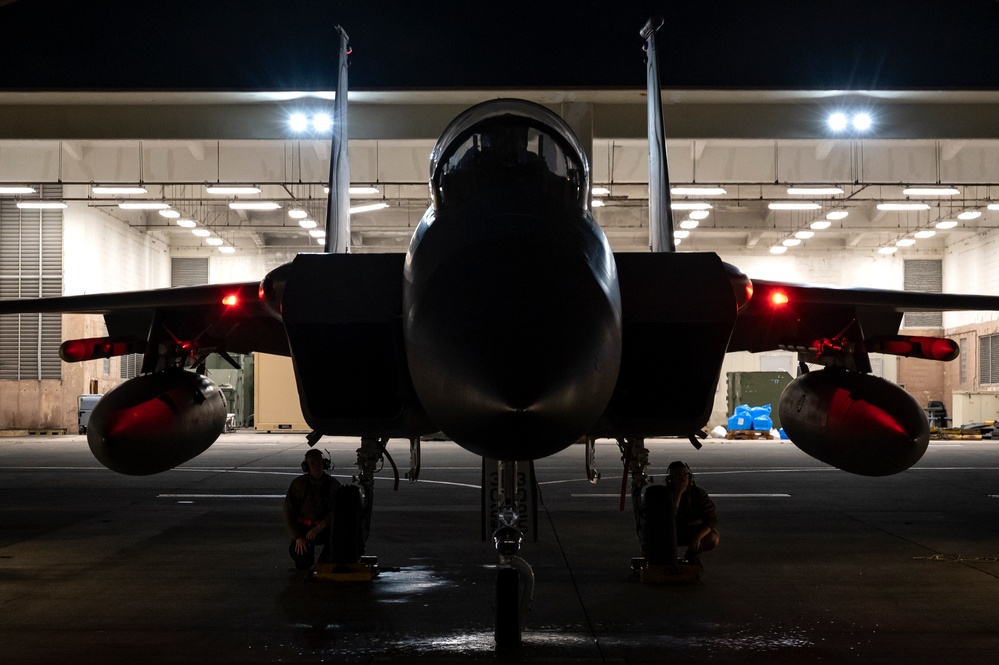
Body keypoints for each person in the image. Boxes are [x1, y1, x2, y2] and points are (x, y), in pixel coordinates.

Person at [283, 449, 341, 570]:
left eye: (319, 462)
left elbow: (339, 509)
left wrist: (323, 525)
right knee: (302, 560)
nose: (317, 466)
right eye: (312, 463)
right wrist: (298, 537)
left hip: (325, 528)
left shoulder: (333, 484)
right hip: (304, 529)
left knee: (340, 542)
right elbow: (289, 512)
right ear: (306, 466)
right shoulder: (299, 484)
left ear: (324, 464)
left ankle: (324, 563)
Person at [666, 460, 719, 564]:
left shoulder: (698, 494)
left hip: (694, 531)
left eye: (685, 474)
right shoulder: (666, 495)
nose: (683, 478)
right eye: (678, 475)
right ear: (670, 480)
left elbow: (712, 519)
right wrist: (678, 494)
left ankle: (692, 554)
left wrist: (698, 537)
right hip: (673, 531)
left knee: (712, 539)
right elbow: (669, 517)